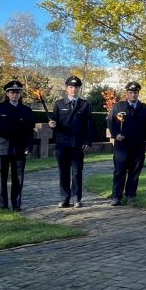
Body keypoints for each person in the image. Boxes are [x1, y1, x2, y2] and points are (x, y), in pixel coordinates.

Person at [0, 80, 34, 212]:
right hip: (1, 148)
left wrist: (29, 147)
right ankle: (2, 204)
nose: (15, 95)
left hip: (19, 149)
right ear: (7, 94)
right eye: (12, 92)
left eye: (17, 92)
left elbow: (29, 131)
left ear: (20, 94)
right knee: (0, 178)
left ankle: (16, 204)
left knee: (18, 178)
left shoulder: (26, 110)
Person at [48, 76, 93, 208]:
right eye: (71, 87)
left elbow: (89, 125)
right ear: (66, 88)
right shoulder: (59, 104)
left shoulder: (85, 105)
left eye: (76, 87)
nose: (73, 89)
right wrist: (52, 124)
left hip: (78, 144)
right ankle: (65, 198)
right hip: (62, 144)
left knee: (77, 172)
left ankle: (76, 198)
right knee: (63, 172)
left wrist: (88, 141)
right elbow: (55, 122)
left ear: (79, 88)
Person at [107, 81, 146, 206]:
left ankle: (131, 195)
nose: (133, 95)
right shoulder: (118, 107)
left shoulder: (145, 109)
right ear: (126, 93)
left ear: (138, 93)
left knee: (134, 172)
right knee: (119, 171)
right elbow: (111, 122)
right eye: (130, 92)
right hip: (122, 146)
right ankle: (116, 196)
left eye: (135, 93)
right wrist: (115, 134)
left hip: (138, 145)